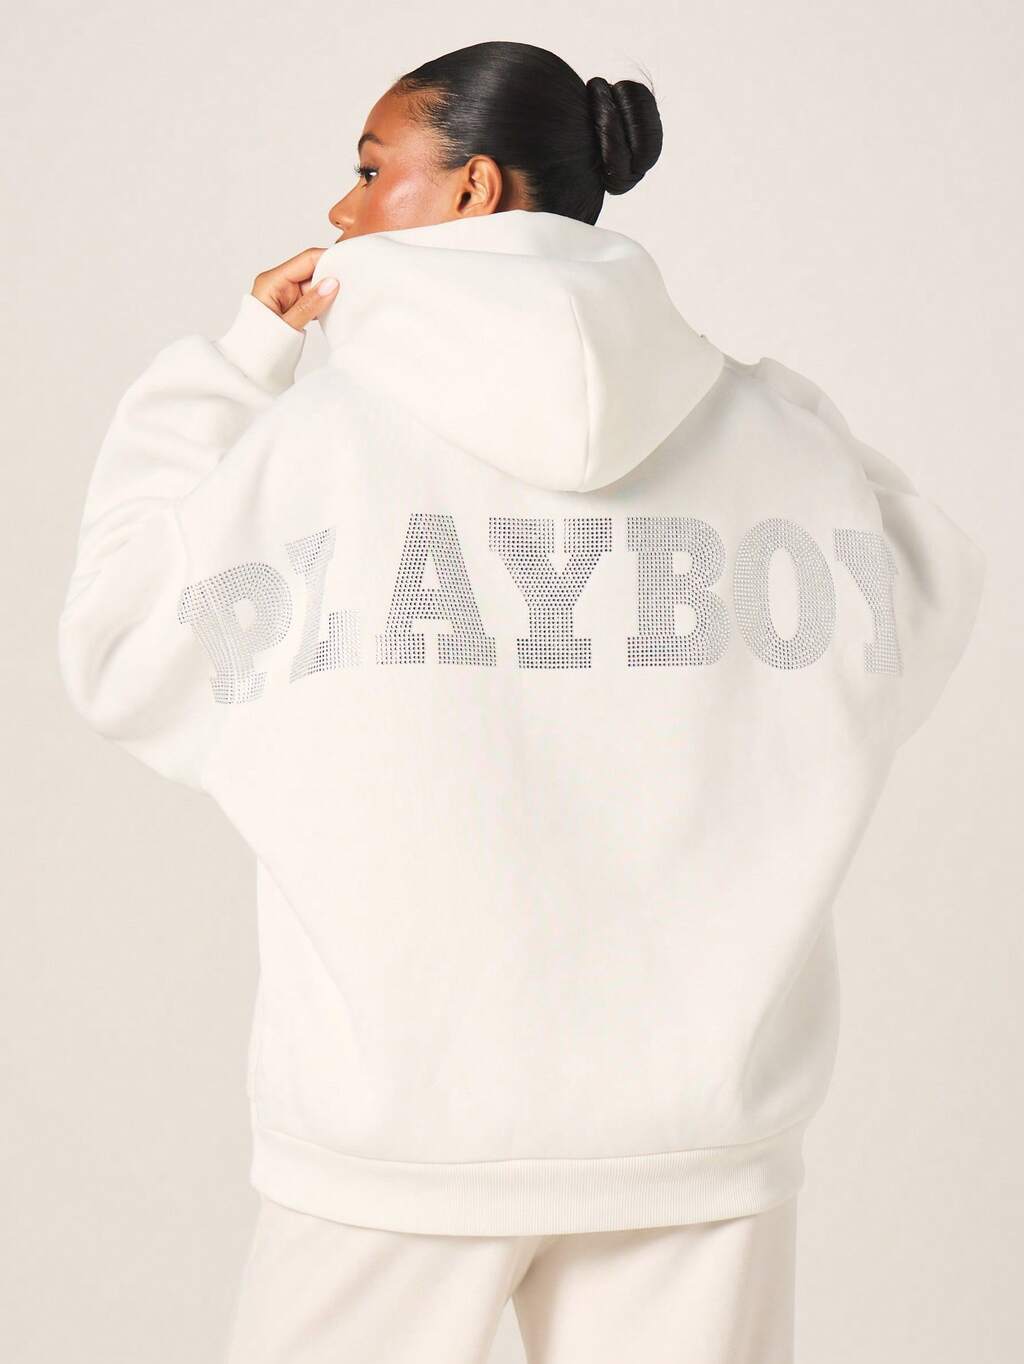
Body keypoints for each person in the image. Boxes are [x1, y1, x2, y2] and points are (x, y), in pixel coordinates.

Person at [56, 39, 985, 1364]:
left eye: (371, 170)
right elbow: (917, 605)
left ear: (474, 187)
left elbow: (119, 641)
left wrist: (240, 361)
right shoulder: (769, 430)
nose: (342, 209)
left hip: (395, 1132)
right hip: (696, 1133)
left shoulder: (318, 446)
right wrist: (768, 415)